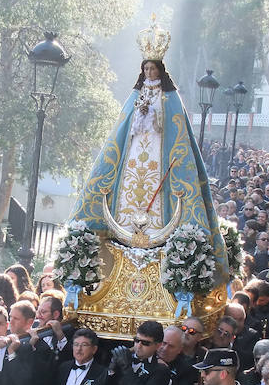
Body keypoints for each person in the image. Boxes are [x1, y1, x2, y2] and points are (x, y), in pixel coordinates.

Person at [66, 17, 228, 278]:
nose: (150, 74)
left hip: (159, 154)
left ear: (160, 71)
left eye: (154, 70)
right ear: (142, 71)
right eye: (147, 69)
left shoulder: (171, 98)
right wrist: (139, 113)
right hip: (133, 155)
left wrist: (153, 116)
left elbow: (176, 129)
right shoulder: (135, 96)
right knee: (127, 188)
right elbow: (123, 129)